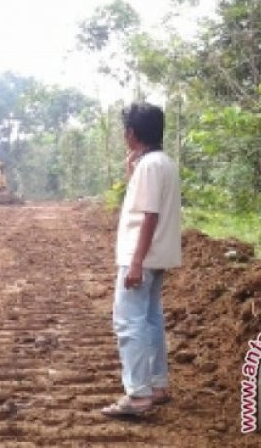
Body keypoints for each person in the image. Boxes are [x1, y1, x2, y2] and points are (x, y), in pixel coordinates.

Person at [101, 102, 182, 417]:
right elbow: (148, 204)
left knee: (129, 323)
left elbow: (148, 216)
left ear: (131, 133)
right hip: (157, 256)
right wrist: (131, 170)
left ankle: (137, 395)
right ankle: (158, 384)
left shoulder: (150, 167)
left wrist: (135, 262)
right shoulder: (162, 163)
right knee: (150, 321)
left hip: (141, 258)